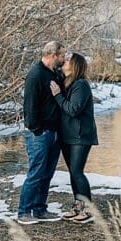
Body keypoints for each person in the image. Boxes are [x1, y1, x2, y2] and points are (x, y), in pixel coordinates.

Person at [17, 40, 66, 224]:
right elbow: (29, 106)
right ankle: (23, 212)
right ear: (53, 55)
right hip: (40, 133)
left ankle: (39, 209)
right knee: (36, 172)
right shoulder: (36, 75)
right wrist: (37, 130)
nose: (64, 58)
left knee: (47, 173)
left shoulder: (55, 73)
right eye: (62, 55)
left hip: (54, 132)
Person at [49, 52, 98, 224]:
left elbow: (73, 109)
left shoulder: (81, 85)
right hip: (68, 135)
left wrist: (57, 96)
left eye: (68, 60)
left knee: (77, 172)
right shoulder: (66, 82)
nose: (65, 61)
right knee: (73, 172)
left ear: (75, 65)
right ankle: (78, 206)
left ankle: (89, 209)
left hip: (80, 136)